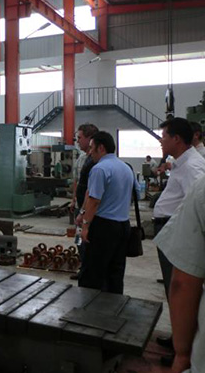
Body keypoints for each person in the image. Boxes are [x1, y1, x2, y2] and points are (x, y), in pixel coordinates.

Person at [152, 118, 205, 364]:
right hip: (170, 228)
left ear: (176, 139)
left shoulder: (193, 167)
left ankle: (183, 351)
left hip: (180, 233)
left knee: (182, 290)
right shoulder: (182, 162)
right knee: (171, 289)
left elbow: (196, 205)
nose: (161, 141)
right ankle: (179, 338)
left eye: (164, 136)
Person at [78, 131, 135, 294]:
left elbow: (94, 200)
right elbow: (134, 194)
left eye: (92, 148)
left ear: (101, 148)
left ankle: (89, 306)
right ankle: (115, 305)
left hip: (103, 227)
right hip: (123, 226)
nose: (89, 152)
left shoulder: (99, 169)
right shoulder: (126, 168)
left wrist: (85, 226)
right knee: (115, 273)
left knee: (92, 273)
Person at [70, 123, 99, 280]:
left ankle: (90, 271)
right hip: (79, 207)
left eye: (80, 137)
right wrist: (73, 200)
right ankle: (83, 267)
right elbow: (77, 182)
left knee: (90, 241)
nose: (77, 141)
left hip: (90, 210)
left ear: (90, 139)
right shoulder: (81, 159)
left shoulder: (97, 162)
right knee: (79, 239)